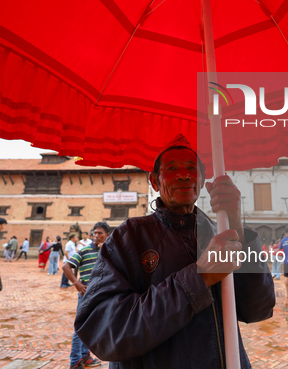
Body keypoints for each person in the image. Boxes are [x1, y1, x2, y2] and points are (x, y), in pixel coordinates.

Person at [74, 134, 275, 368]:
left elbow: (258, 309)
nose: (183, 174)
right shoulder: (129, 237)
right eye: (171, 168)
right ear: (155, 181)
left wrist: (235, 224)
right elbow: (104, 331)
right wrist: (199, 277)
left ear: (202, 181)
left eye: (192, 167)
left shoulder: (219, 232)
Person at [62, 223, 110, 369]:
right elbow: (66, 266)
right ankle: (75, 362)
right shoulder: (84, 251)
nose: (96, 236)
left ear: (107, 235)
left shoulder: (109, 251)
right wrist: (76, 282)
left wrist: (105, 252)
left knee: (91, 327)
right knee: (80, 327)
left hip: (102, 295)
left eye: (100, 233)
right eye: (94, 233)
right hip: (87, 294)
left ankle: (85, 356)